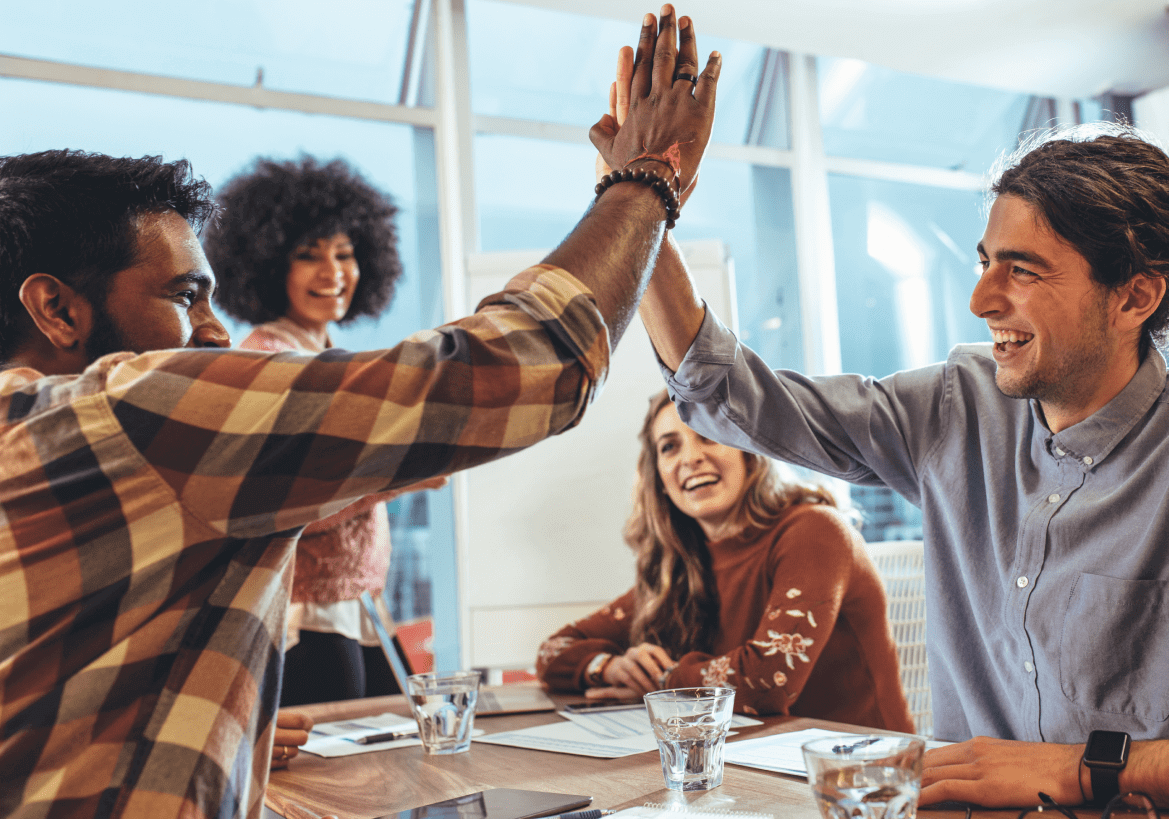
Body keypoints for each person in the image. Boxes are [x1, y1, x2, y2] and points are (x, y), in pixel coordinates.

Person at [0, 8, 718, 817]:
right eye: (182, 296)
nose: (211, 329)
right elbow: (523, 362)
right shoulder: (130, 410)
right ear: (57, 310)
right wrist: (647, 178)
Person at [634, 123, 1169, 816]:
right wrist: (642, 198)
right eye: (985, 260)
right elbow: (728, 395)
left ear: (1134, 298)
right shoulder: (957, 406)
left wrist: (1085, 766)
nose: (981, 298)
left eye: (1021, 270)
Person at [205, 155, 444, 705]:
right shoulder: (269, 360)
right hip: (304, 614)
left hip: (356, 607)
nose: (333, 272)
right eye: (308, 256)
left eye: (345, 253)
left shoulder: (329, 354)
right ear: (266, 267)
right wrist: (404, 477)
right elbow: (285, 501)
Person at [537, 390, 915, 731]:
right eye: (669, 447)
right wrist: (609, 667)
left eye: (708, 434)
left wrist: (660, 682)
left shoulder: (814, 531)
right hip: (750, 771)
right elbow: (554, 650)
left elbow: (768, 680)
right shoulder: (679, 569)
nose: (691, 457)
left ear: (748, 449)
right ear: (660, 480)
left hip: (863, 779)